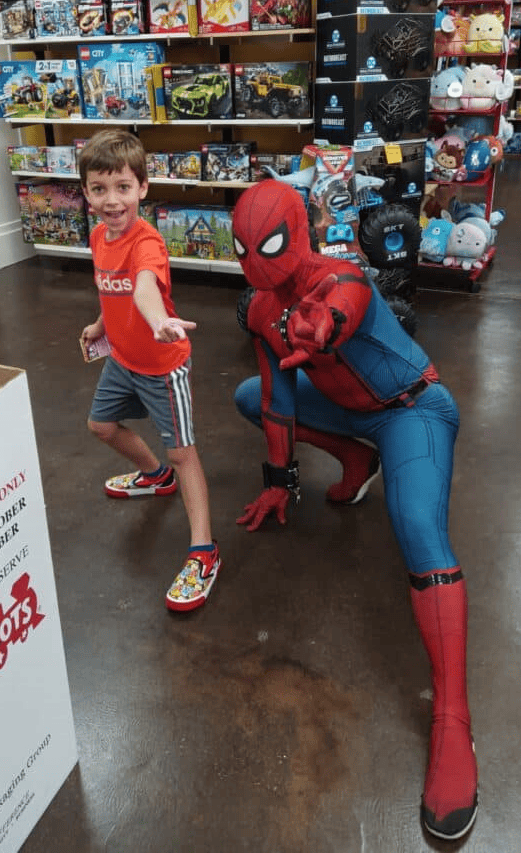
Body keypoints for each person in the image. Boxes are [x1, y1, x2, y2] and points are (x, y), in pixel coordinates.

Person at [231, 179, 477, 841]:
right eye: (243, 250)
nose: (256, 263)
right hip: (345, 406)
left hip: (410, 410)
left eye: (269, 245)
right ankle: (353, 459)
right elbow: (279, 398)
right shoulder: (262, 308)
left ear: (302, 228)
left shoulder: (341, 278)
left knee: (418, 529)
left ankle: (452, 720)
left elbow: (344, 300)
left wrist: (323, 325)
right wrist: (278, 479)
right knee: (250, 393)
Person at [78, 129, 220, 612]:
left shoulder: (148, 242)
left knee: (184, 455)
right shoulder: (98, 235)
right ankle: (152, 475)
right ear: (86, 192)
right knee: (100, 425)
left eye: (122, 187)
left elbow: (142, 288)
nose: (111, 200)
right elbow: (110, 288)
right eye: (99, 188)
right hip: (121, 358)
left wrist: (159, 322)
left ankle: (203, 550)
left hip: (162, 366)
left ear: (142, 187)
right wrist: (100, 326)